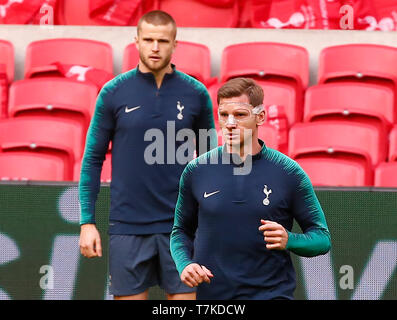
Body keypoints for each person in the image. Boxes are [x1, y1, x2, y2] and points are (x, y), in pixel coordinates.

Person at [78, 10, 217, 300]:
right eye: (149, 40)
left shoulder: (196, 94)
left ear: (175, 44)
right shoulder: (113, 93)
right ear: (137, 41)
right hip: (127, 227)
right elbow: (92, 159)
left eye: (163, 41)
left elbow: (210, 164)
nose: (155, 47)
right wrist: (87, 222)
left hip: (182, 229)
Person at [170, 77, 331, 300]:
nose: (230, 123)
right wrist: (185, 264)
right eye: (224, 115)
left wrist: (290, 240)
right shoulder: (196, 171)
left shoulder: (288, 172)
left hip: (271, 295)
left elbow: (322, 238)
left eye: (240, 115)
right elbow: (181, 231)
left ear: (260, 117)